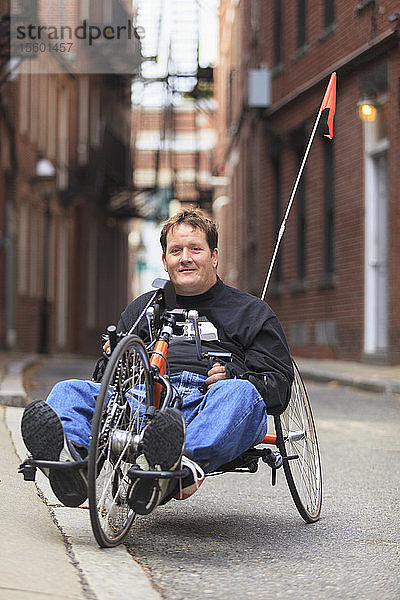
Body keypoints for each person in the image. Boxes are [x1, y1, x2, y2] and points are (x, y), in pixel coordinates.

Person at [21, 208, 294, 514]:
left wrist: (235, 374)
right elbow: (105, 375)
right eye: (176, 251)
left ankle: (174, 464)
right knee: (69, 391)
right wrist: (118, 360)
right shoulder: (145, 307)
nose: (185, 258)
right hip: (146, 399)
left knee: (241, 394)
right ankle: (72, 466)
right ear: (165, 261)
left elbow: (277, 385)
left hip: (212, 403)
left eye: (195, 249)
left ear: (214, 256)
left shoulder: (251, 312)